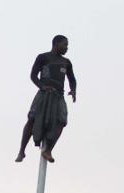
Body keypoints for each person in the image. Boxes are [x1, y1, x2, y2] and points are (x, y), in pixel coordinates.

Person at [15, 35, 77, 163]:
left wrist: (73, 90)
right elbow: (33, 75)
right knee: (32, 118)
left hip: (58, 96)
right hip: (44, 94)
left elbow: (72, 79)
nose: (67, 48)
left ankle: (48, 150)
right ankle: (22, 150)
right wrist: (42, 86)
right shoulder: (43, 57)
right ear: (56, 44)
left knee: (62, 120)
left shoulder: (66, 62)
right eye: (65, 45)